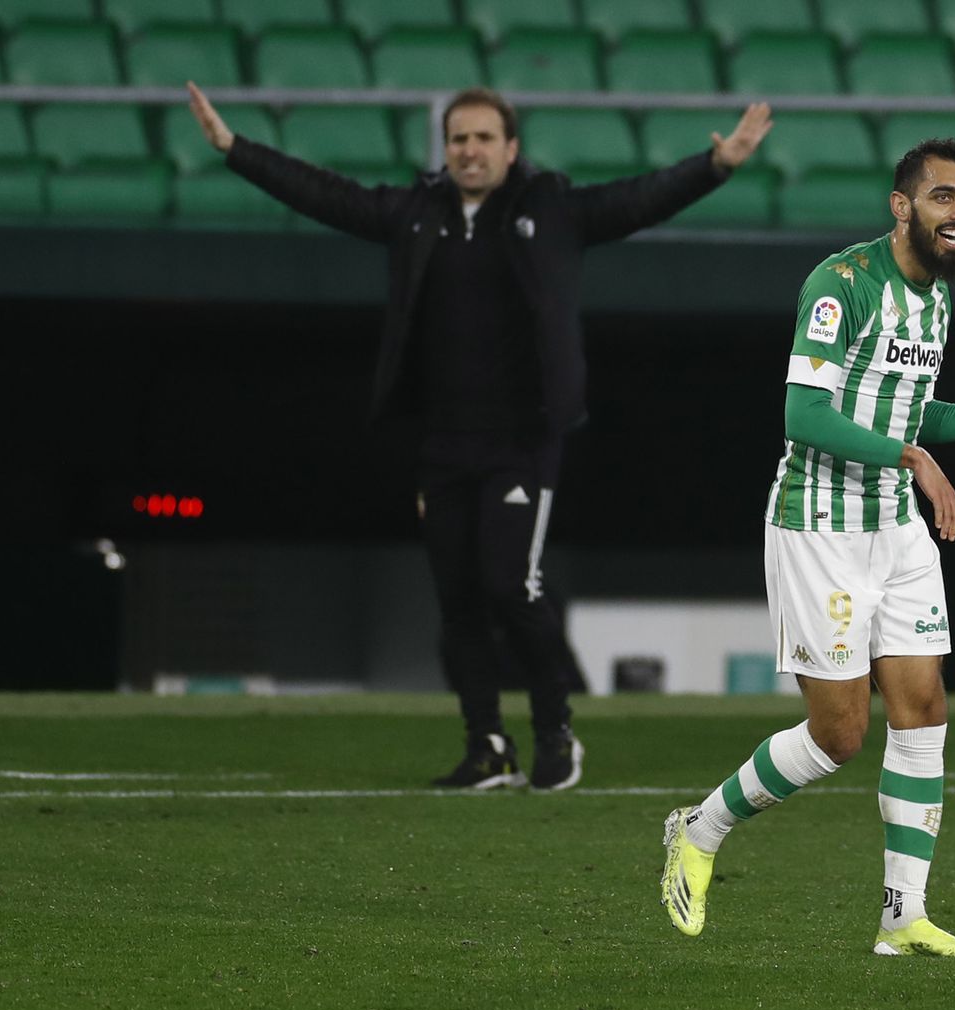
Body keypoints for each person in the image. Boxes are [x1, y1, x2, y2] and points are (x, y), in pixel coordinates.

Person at [185, 83, 773, 791]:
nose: (469, 149)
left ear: (511, 148)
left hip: (523, 439)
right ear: (446, 148)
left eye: (483, 138)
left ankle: (556, 730)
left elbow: (637, 199)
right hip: (443, 442)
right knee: (458, 600)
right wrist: (234, 150)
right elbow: (326, 195)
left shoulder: (549, 208)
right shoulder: (416, 215)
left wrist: (717, 166)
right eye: (458, 138)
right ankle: (486, 745)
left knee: (511, 588)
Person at [658, 138, 955, 957]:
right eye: (944, 196)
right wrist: (912, 457)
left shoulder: (939, 300)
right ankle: (698, 831)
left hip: (896, 530)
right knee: (839, 735)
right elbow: (803, 417)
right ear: (901, 205)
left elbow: (907, 413)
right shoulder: (841, 287)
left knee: (922, 710)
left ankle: (902, 917)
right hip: (820, 530)